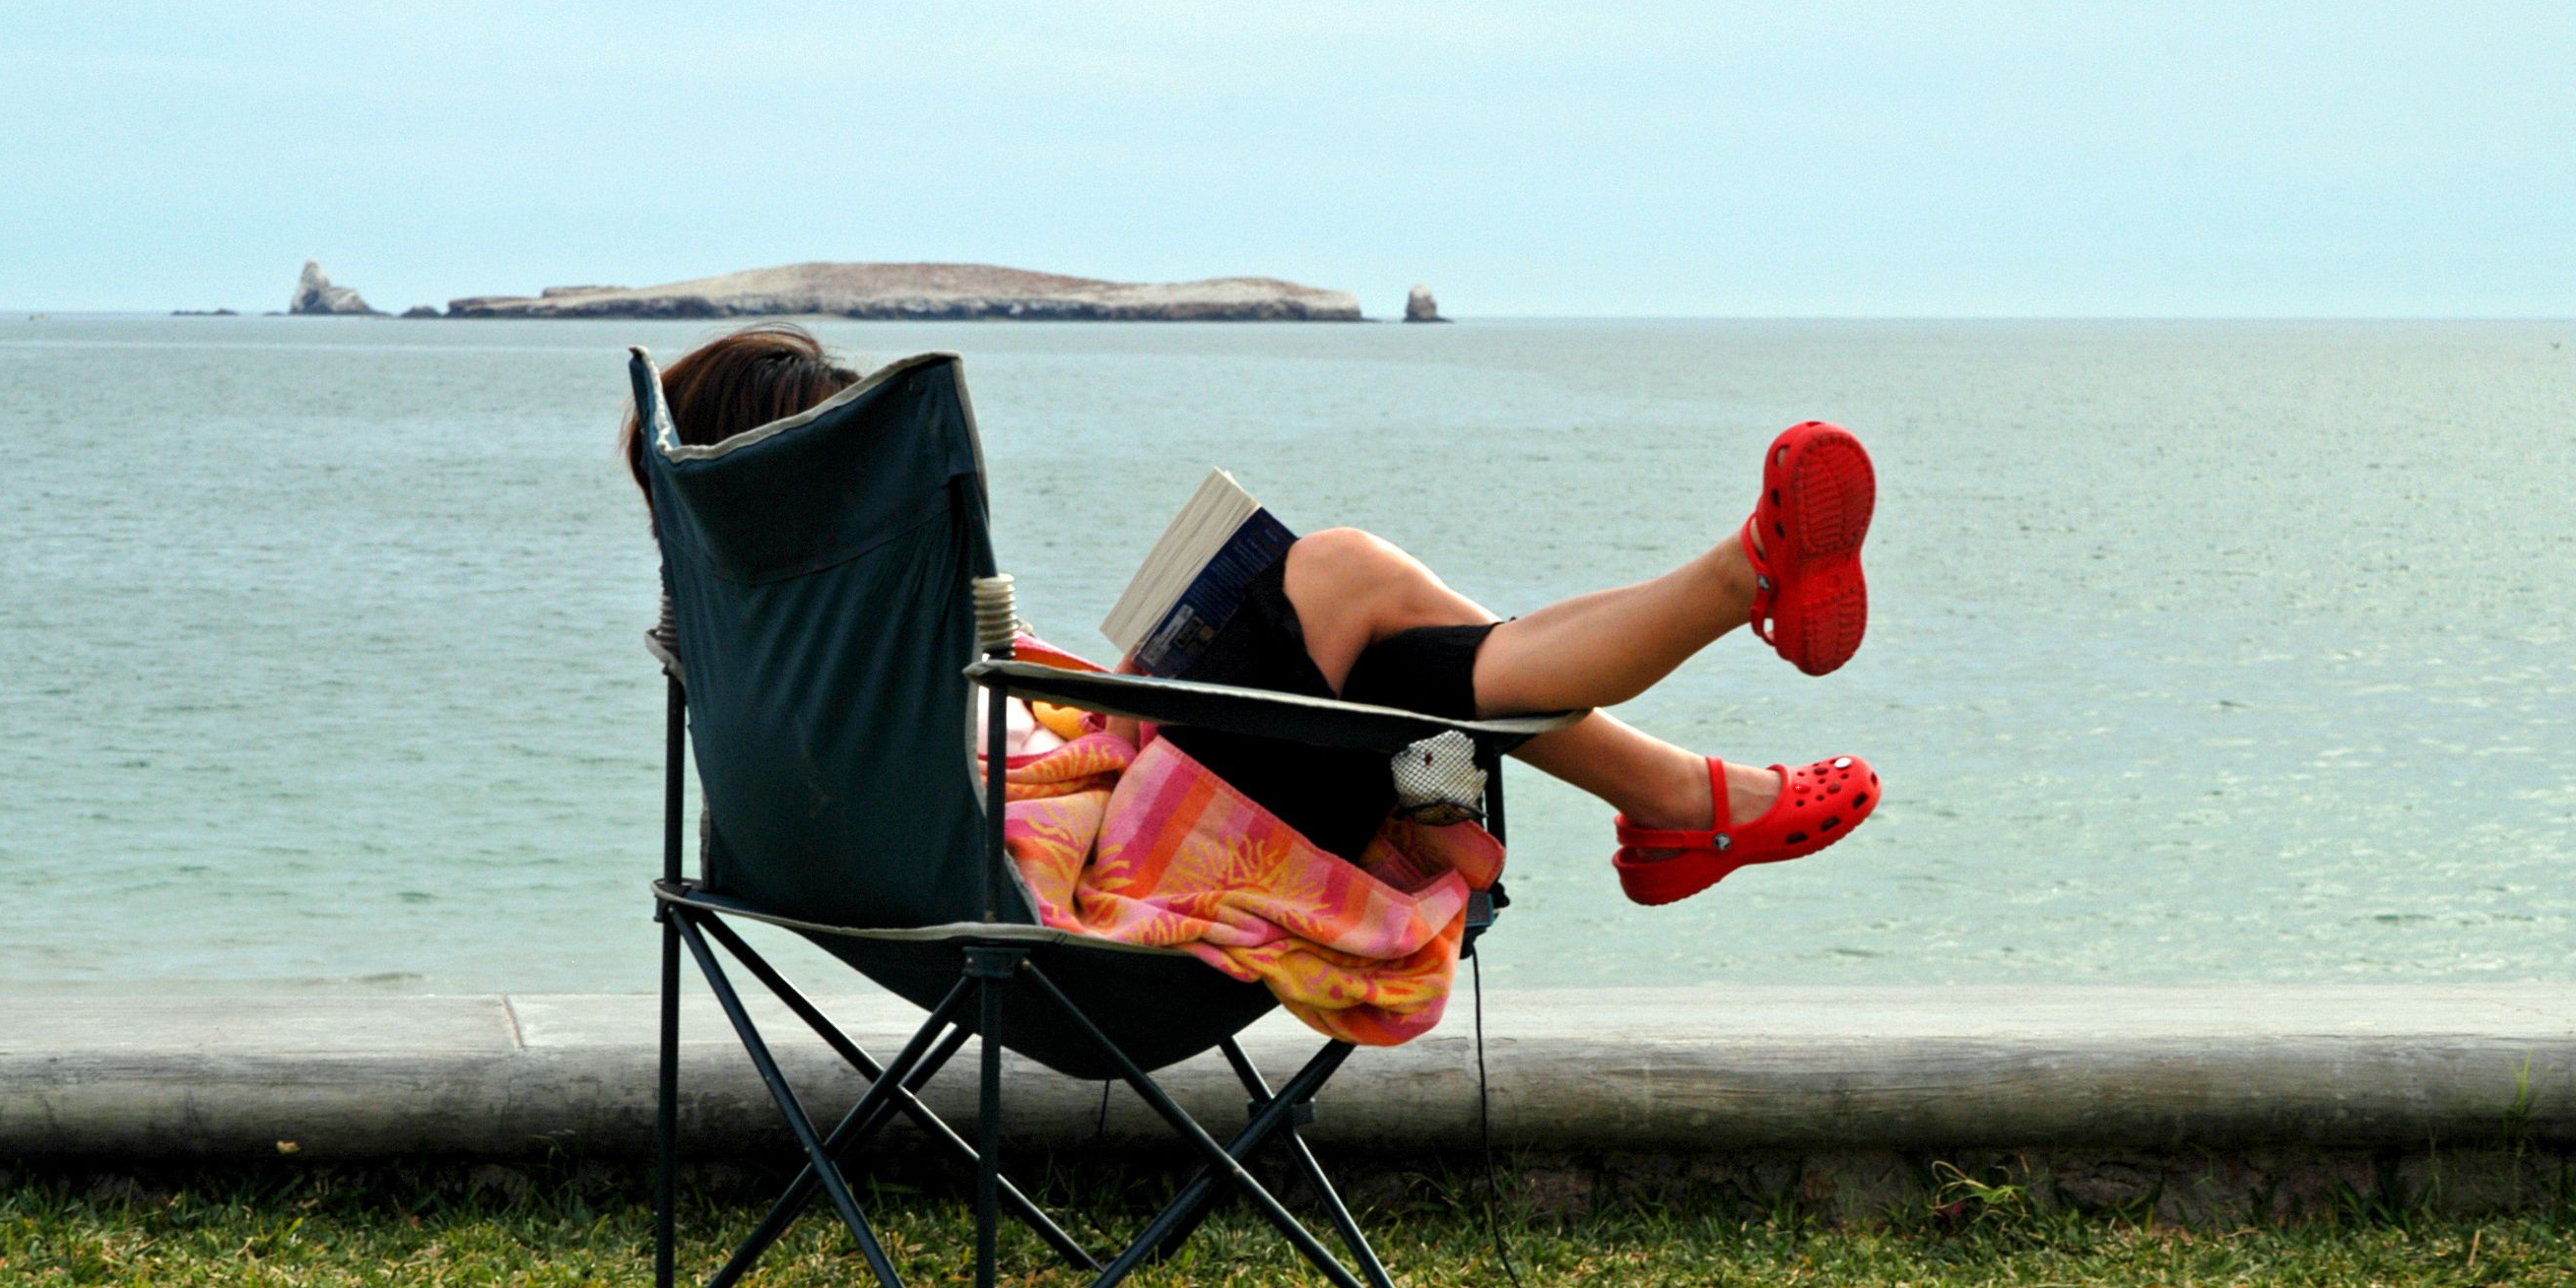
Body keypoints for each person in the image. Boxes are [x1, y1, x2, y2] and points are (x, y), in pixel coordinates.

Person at [626, 324, 1880, 906]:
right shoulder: (845, 661)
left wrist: (1105, 689)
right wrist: (1109, 711)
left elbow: (975, 757)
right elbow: (1020, 785)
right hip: (1113, 867)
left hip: (1002, 860)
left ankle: (1698, 738)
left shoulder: (750, 665)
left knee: (1402, 665)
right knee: (1343, 574)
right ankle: (1708, 698)